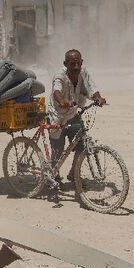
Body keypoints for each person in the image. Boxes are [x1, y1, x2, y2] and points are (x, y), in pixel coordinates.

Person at [48, 49, 105, 181]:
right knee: (58, 149)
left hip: (73, 114)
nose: (76, 67)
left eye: (78, 63)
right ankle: (53, 175)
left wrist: (98, 98)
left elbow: (92, 87)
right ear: (65, 64)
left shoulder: (83, 73)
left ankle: (73, 173)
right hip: (57, 115)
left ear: (81, 62)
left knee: (82, 145)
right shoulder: (59, 76)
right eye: (72, 64)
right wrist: (62, 101)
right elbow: (57, 91)